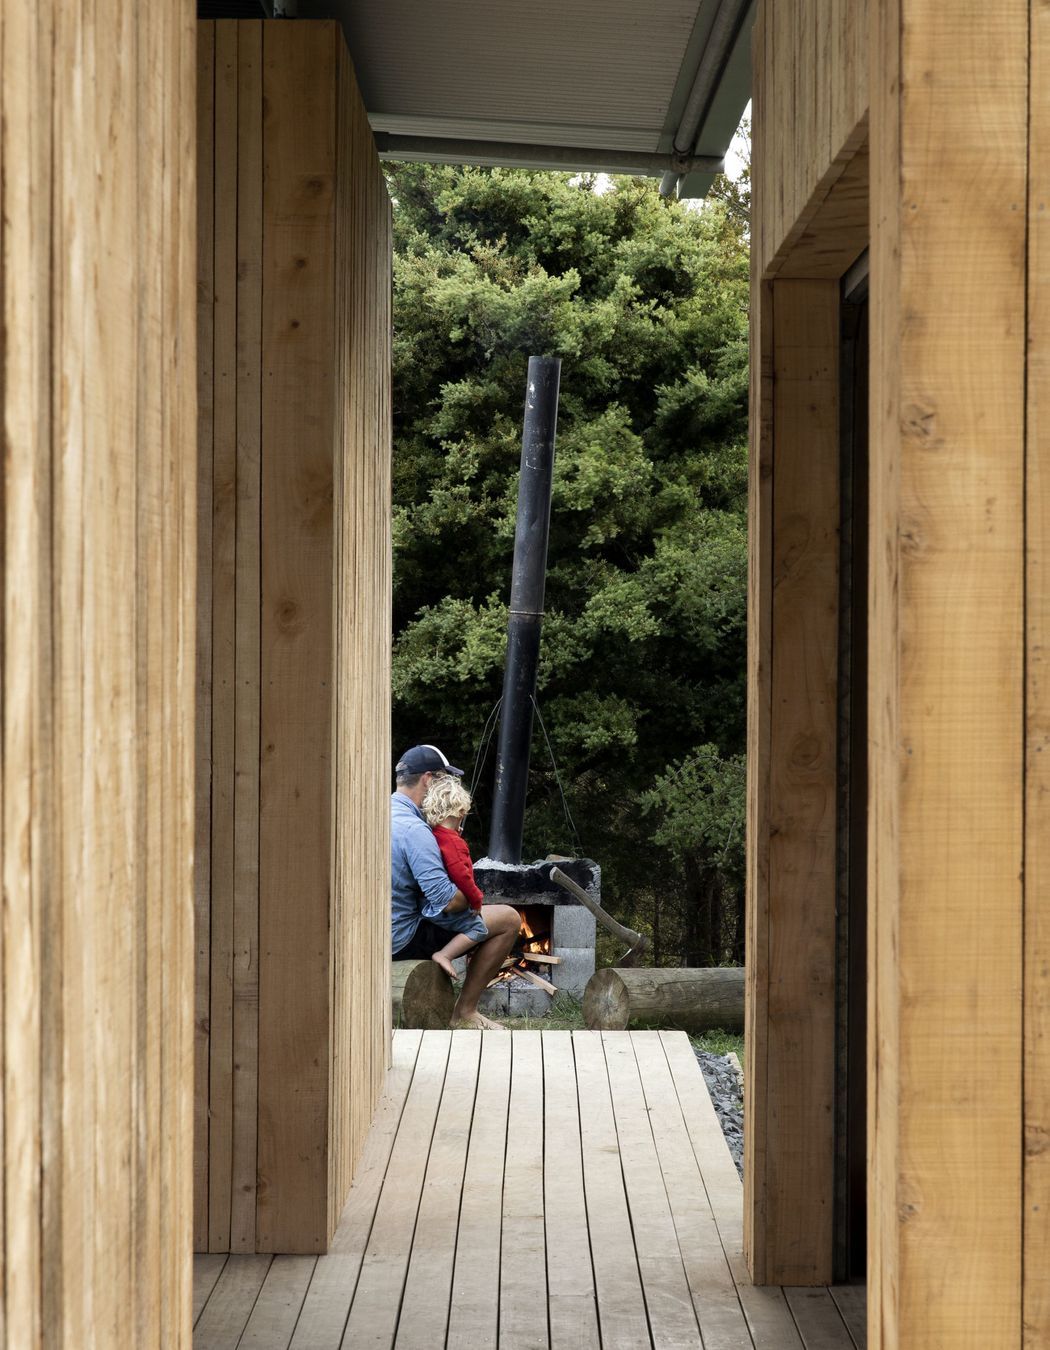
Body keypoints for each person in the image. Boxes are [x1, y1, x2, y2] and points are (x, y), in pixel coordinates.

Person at [390, 745, 521, 1029]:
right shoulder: (415, 831)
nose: (448, 787)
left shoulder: (376, 816)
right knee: (508, 918)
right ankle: (465, 1012)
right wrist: (473, 897)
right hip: (399, 939)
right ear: (428, 780)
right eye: (444, 780)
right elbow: (447, 902)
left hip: (369, 936)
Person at [421, 775, 486, 981]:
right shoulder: (455, 843)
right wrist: (476, 899)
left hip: (428, 907)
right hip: (445, 911)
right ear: (461, 811)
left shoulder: (432, 835)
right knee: (479, 927)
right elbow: (462, 876)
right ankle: (444, 954)